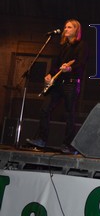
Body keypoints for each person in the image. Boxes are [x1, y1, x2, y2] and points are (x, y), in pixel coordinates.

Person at [27, 19, 88, 154]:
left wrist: (70, 68)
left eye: (69, 27)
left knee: (69, 113)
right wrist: (49, 74)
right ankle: (41, 139)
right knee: (45, 108)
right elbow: (56, 64)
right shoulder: (63, 46)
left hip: (71, 83)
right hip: (58, 83)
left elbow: (81, 63)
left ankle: (68, 145)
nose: (66, 29)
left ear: (76, 30)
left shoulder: (81, 45)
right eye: (65, 27)